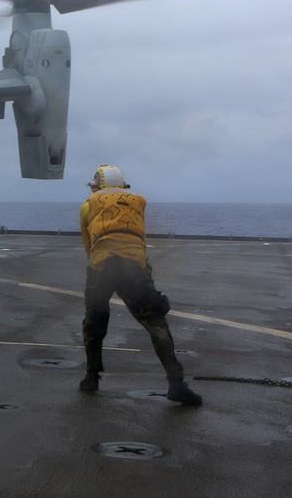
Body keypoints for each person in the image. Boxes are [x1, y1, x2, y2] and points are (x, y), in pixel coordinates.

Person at [78, 165, 202, 406]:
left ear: (97, 184)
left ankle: (91, 378)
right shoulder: (138, 202)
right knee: (155, 321)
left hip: (101, 267)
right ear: (123, 184)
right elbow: (138, 236)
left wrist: (95, 269)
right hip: (134, 268)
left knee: (94, 321)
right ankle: (176, 383)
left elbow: (88, 243)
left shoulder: (88, 204)